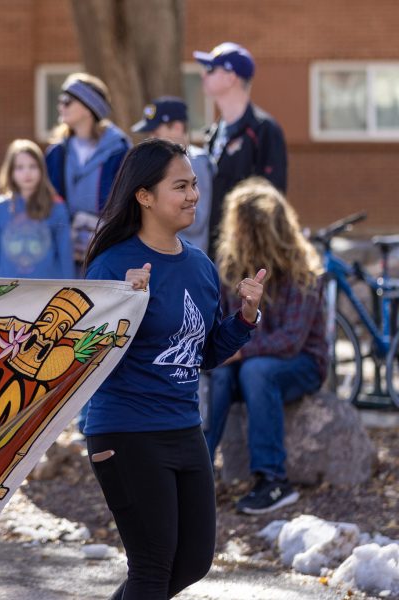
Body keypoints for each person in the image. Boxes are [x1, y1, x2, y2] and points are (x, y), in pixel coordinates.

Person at [82, 138, 265, 599]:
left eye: (194, 185)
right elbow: (86, 357)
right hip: (126, 431)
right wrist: (123, 306)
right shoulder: (111, 266)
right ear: (144, 196)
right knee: (152, 566)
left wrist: (244, 319)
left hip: (184, 427)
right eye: (180, 186)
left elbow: (200, 354)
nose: (193, 196)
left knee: (193, 561)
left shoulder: (200, 266)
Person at [204, 178, 327, 515]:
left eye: (242, 229)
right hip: (248, 366)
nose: (236, 235)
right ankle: (197, 472)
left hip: (302, 364)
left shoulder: (304, 270)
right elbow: (225, 323)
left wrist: (241, 351)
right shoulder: (231, 265)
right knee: (221, 375)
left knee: (256, 371)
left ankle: (274, 481)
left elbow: (291, 340)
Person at [193, 42, 287, 260]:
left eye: (210, 69)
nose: (203, 76)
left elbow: (271, 199)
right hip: (213, 250)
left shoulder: (264, 130)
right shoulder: (214, 132)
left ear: (230, 77)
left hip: (246, 255)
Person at [45, 72, 131, 266]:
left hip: (107, 248)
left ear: (87, 107)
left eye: (67, 101)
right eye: (60, 100)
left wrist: (102, 230)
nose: (60, 106)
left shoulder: (119, 151)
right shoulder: (56, 153)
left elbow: (126, 201)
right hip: (63, 250)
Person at [0, 139, 74, 279]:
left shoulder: (57, 208)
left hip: (46, 289)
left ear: (42, 169)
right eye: (19, 167)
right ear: (10, 172)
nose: (27, 172)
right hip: (6, 288)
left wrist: (70, 287)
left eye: (33, 166)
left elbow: (65, 256)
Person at [132, 96, 213, 253]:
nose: (152, 139)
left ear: (177, 127)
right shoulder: (162, 163)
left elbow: (197, 221)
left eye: (156, 133)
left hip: (188, 253)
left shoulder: (196, 162)